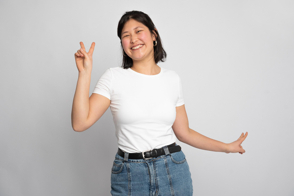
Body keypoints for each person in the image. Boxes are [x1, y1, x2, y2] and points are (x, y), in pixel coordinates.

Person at [71, 10, 248, 196]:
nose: (133, 39)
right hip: (130, 174)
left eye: (139, 31)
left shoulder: (172, 79)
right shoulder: (114, 77)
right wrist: (84, 74)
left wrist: (227, 147)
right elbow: (80, 123)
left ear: (154, 35)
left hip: (173, 170)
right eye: (126, 35)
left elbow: (184, 133)